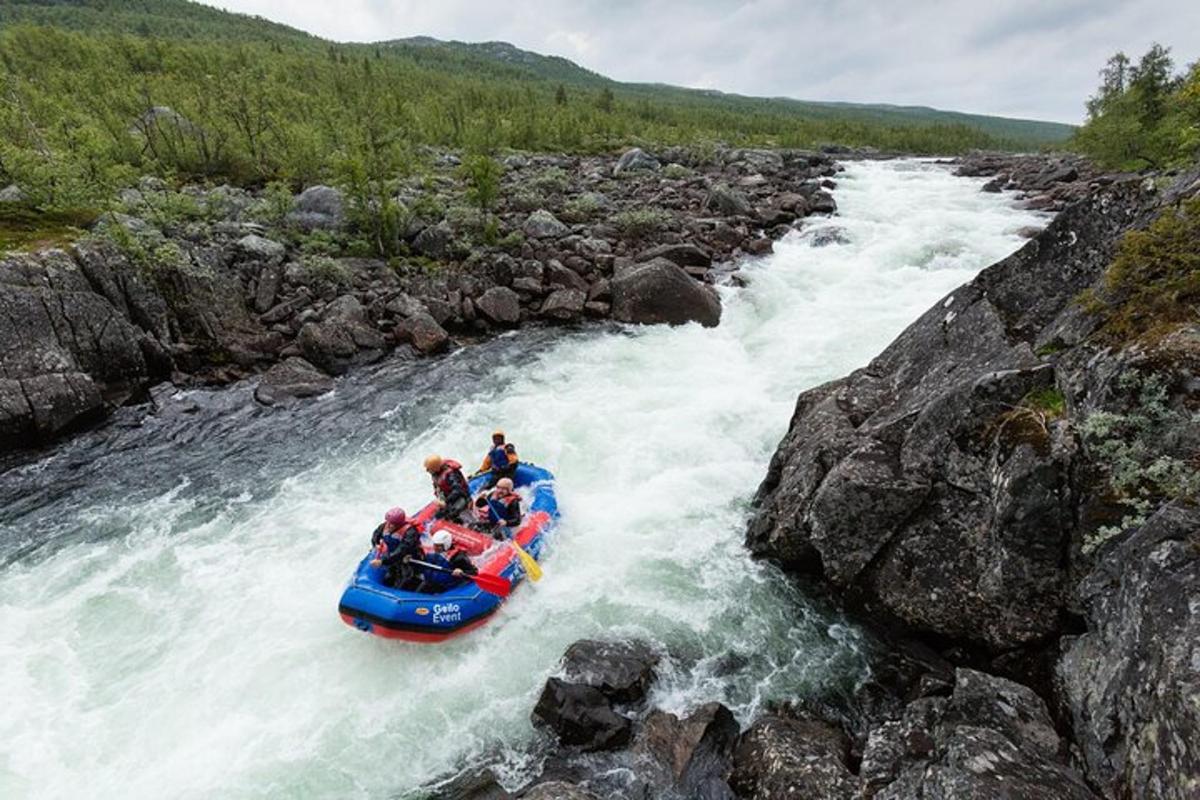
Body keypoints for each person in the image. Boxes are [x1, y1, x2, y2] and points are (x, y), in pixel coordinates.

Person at [370, 507, 422, 589]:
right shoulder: (385, 525)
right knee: (389, 577)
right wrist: (375, 543)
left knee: (405, 580)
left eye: (393, 524)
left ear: (399, 524)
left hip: (408, 558)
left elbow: (402, 550)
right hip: (392, 557)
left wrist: (382, 561)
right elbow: (376, 535)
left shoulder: (410, 532)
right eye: (389, 522)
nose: (389, 526)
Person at [425, 454, 470, 521]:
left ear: (435, 467)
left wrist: (446, 501)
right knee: (438, 515)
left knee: (451, 514)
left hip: (461, 497)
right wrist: (441, 500)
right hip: (449, 498)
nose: (427, 470)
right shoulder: (435, 474)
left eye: (429, 468)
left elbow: (458, 490)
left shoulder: (451, 474)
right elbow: (438, 489)